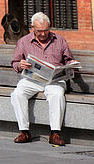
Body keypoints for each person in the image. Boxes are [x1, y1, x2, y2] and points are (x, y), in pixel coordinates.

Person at [11, 12, 75, 146]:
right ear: (32, 28)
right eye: (39, 31)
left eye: (46, 30)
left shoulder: (60, 40)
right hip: (32, 79)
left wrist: (71, 64)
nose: (42, 34)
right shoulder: (23, 41)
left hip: (54, 80)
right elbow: (15, 62)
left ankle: (55, 133)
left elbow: (68, 60)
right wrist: (20, 65)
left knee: (56, 94)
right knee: (17, 94)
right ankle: (24, 132)